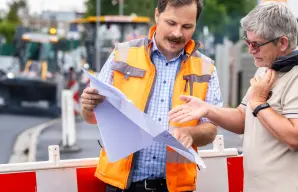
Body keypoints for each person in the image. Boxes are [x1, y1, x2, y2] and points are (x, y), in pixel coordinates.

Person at [168, 2, 298, 192]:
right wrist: (208, 109)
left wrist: (260, 103)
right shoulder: (267, 68)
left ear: (282, 43)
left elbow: (296, 137)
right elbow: (243, 118)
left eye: (256, 44)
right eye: (247, 42)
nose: (251, 50)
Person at [80, 0, 223, 191]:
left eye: (187, 26)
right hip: (122, 185)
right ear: (157, 15)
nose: (177, 33)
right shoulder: (121, 55)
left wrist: (191, 133)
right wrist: (88, 106)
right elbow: (91, 117)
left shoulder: (206, 68)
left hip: (174, 187)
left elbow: (210, 131)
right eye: (171, 23)